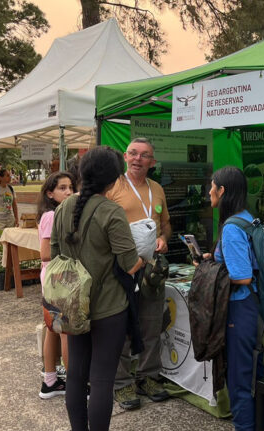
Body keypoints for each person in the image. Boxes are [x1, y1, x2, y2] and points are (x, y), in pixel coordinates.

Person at [51, 146, 145, 430]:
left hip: (72, 304)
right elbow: (130, 265)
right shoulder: (112, 212)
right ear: (115, 179)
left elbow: (55, 253)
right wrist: (146, 254)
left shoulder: (64, 207)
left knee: (77, 375)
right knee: (103, 378)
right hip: (108, 307)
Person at [205, 166, 264, 430]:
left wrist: (212, 274)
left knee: (239, 381)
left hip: (239, 309)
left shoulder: (231, 228)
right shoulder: (248, 218)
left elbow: (242, 275)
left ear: (222, 191)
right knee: (256, 374)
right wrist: (213, 259)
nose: (209, 191)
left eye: (212, 187)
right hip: (254, 307)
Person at [107, 137, 172, 410]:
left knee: (151, 324)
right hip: (122, 269)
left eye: (144, 155)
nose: (138, 159)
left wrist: (164, 239)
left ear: (152, 162)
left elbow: (165, 224)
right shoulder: (112, 187)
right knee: (121, 327)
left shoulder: (156, 189)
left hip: (151, 270)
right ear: (124, 156)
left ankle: (148, 377)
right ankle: (122, 384)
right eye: (133, 153)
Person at [37, 172, 74, 399]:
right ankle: (75, 384)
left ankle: (50, 380)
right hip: (57, 279)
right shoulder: (52, 215)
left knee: (52, 329)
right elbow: (44, 252)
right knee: (66, 333)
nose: (68, 192)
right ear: (50, 193)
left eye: (70, 187)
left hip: (52, 278)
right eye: (62, 188)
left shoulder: (56, 213)